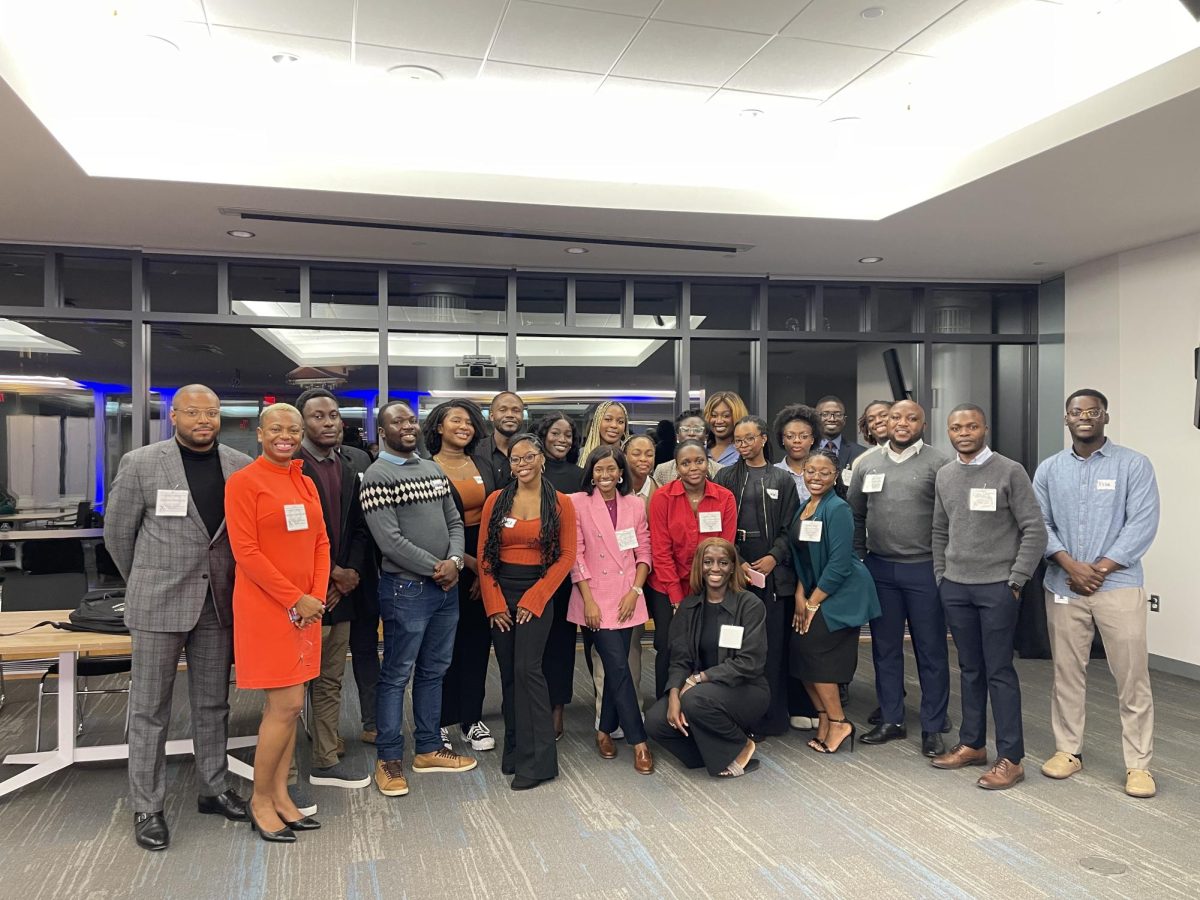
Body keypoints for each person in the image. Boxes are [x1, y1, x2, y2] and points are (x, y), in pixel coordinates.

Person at [104, 384, 253, 852]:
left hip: (217, 605)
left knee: (213, 704)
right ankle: (147, 806)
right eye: (193, 412)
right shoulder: (143, 463)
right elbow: (117, 536)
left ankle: (213, 787)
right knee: (150, 710)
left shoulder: (240, 465)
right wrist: (146, 580)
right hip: (157, 605)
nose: (203, 420)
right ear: (174, 415)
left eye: (211, 412)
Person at [1033, 389, 1160, 798]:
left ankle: (1139, 764)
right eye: (1076, 412)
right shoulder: (1050, 469)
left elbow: (1142, 523)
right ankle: (1068, 750)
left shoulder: (1134, 465)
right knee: (1067, 674)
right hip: (1063, 584)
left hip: (1118, 587)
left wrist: (1099, 570)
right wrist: (1070, 565)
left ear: (1105, 416)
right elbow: (1040, 523)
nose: (1084, 417)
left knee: (1132, 677)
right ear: (1066, 419)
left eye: (1092, 411)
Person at [360, 400, 477, 800]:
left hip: (446, 588)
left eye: (410, 420)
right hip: (406, 590)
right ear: (383, 430)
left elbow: (455, 521)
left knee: (434, 671)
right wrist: (436, 567)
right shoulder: (376, 476)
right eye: (397, 422)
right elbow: (389, 541)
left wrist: (456, 562)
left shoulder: (432, 469)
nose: (406, 426)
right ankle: (389, 758)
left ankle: (427, 749)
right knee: (396, 675)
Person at [225, 403, 330, 842]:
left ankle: (282, 797)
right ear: (260, 434)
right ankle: (260, 800)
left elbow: (322, 542)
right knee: (284, 708)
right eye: (276, 429)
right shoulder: (244, 482)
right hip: (267, 609)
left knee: (289, 709)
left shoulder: (305, 482)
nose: (285, 435)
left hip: (307, 610)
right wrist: (294, 598)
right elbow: (245, 552)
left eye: (293, 429)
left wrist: (317, 598)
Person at [931, 404, 1047, 790]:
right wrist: (941, 577)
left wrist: (1016, 580)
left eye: (971, 426)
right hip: (956, 586)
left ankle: (1011, 758)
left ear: (985, 428)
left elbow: (1034, 529)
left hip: (998, 586)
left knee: (999, 671)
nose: (963, 432)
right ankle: (973, 744)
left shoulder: (1009, 470)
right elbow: (939, 530)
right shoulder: (946, 475)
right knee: (969, 669)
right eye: (956, 427)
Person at [848, 399, 952, 757]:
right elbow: (856, 515)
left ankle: (934, 726)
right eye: (896, 417)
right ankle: (891, 719)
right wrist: (860, 558)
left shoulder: (940, 463)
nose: (902, 423)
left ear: (923, 424)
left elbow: (951, 519)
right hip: (881, 569)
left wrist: (943, 569)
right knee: (885, 648)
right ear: (884, 422)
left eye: (911, 418)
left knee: (931, 651)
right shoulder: (867, 464)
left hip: (925, 568)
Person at [478, 433, 578, 790]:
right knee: (508, 674)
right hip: (501, 592)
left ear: (541, 459)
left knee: (528, 671)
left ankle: (538, 763)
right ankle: (515, 751)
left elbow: (566, 557)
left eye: (528, 457)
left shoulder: (561, 502)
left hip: (538, 591)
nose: (521, 465)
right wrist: (493, 605)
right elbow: (486, 556)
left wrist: (536, 598)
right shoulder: (496, 500)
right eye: (515, 459)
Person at [293, 388, 374, 790]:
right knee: (290, 687)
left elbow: (359, 525)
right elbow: (286, 540)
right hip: (300, 593)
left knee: (329, 679)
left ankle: (324, 757)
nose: (328, 423)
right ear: (301, 423)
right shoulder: (288, 465)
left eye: (334, 416)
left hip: (340, 592)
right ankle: (285, 769)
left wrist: (350, 573)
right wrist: (327, 578)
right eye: (318, 417)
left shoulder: (348, 463)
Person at [645, 539, 768, 777]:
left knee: (694, 701)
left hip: (746, 689)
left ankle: (741, 745)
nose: (715, 569)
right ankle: (708, 753)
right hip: (701, 692)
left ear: (732, 567)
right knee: (655, 721)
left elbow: (750, 662)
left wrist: (698, 680)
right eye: (708, 562)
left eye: (723, 562)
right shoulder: (688, 607)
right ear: (699, 567)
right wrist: (673, 695)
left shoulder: (750, 605)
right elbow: (680, 659)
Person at [568, 446, 654, 774]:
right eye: (599, 470)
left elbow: (643, 551)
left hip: (627, 596)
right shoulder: (578, 503)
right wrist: (588, 600)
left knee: (619, 667)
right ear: (591, 472)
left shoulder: (635, 504)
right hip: (595, 598)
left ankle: (604, 730)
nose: (605, 476)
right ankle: (639, 741)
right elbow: (575, 555)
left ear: (621, 473)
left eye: (612, 470)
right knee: (618, 668)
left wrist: (635, 591)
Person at [790, 450, 881, 754]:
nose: (816, 477)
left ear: (836, 475)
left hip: (842, 593)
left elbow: (840, 563)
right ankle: (825, 718)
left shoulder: (838, 509)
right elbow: (803, 557)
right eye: (810, 471)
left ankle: (840, 721)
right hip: (816, 589)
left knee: (819, 658)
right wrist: (801, 595)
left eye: (824, 472)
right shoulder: (805, 507)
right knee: (801, 655)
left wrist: (813, 603)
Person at [714, 415, 799, 737]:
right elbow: (719, 525)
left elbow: (790, 527)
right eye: (738, 439)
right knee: (735, 646)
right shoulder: (724, 477)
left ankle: (772, 717)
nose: (743, 445)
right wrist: (738, 562)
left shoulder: (782, 479)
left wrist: (773, 557)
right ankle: (738, 715)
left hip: (772, 574)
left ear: (764, 439)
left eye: (749, 438)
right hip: (734, 570)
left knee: (771, 646)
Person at [422, 399, 498, 754]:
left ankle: (470, 719)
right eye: (456, 420)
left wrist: (484, 569)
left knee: (475, 644)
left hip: (481, 560)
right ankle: (436, 722)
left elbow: (495, 516)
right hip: (442, 563)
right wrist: (465, 562)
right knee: (440, 649)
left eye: (469, 422)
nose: (464, 426)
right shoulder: (425, 466)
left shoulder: (482, 462)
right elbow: (428, 525)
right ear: (439, 426)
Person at [647, 440, 737, 699]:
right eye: (686, 463)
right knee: (669, 646)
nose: (693, 467)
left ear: (707, 463)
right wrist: (677, 598)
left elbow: (725, 548)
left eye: (699, 461)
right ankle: (666, 707)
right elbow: (660, 551)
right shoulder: (663, 498)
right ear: (677, 467)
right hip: (667, 586)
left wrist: (710, 590)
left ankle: (706, 705)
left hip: (711, 585)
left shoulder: (724, 497)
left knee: (708, 646)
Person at [532, 412, 584, 739]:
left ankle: (557, 709)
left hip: (566, 572)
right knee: (532, 645)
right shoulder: (530, 470)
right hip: (530, 572)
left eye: (568, 434)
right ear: (543, 434)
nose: (562, 439)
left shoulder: (581, 477)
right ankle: (531, 707)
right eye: (555, 433)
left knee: (562, 645)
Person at [652, 409, 718, 484]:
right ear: (677, 436)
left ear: (706, 436)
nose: (691, 433)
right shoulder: (662, 470)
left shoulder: (719, 470)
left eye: (697, 430)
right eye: (685, 429)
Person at [772, 403, 821, 502]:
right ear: (782, 439)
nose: (797, 440)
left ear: (812, 439)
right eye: (790, 436)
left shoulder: (822, 472)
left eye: (804, 436)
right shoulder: (772, 473)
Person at [478, 391, 525, 488]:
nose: (510, 415)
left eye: (516, 410)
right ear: (491, 416)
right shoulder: (475, 451)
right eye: (503, 410)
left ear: (522, 416)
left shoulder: (532, 452)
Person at [815, 395, 867, 476]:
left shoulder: (861, 454)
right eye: (825, 414)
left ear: (844, 420)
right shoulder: (805, 450)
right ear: (816, 418)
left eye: (838, 414)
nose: (832, 419)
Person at [578, 400, 631, 465]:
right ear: (598, 422)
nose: (614, 425)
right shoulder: (581, 455)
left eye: (620, 422)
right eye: (608, 419)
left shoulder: (631, 454)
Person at [703, 391, 748, 467]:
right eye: (714, 415)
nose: (719, 421)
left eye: (726, 416)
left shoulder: (745, 451)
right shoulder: (700, 450)